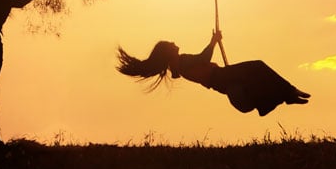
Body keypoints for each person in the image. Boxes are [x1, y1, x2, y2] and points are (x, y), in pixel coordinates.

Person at [117, 30, 310, 116]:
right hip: (221, 78)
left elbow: (201, 60)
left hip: (221, 82)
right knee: (258, 66)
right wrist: (214, 40)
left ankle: (286, 96)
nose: (175, 43)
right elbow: (204, 58)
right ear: (168, 52)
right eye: (171, 44)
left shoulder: (179, 67)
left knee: (255, 76)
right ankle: (289, 92)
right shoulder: (182, 62)